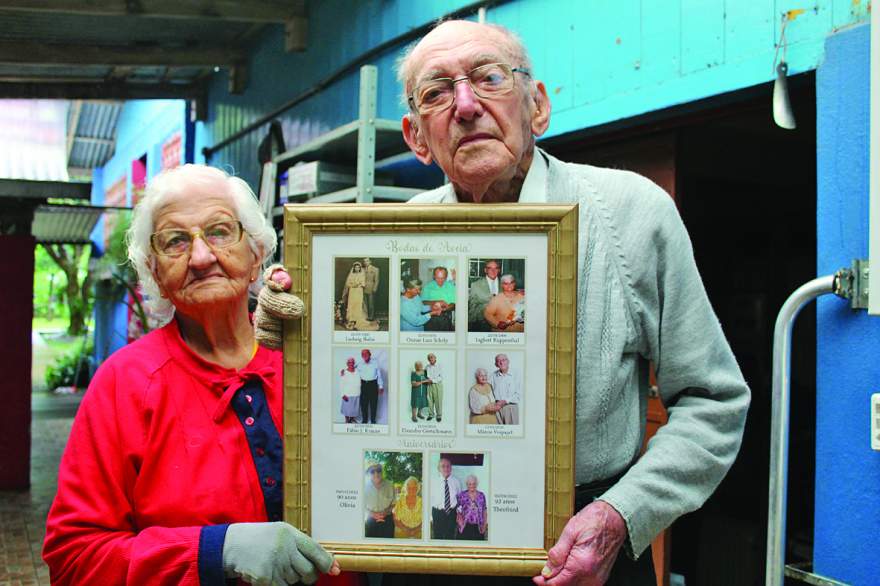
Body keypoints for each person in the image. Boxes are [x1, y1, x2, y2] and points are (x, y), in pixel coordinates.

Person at [257, 18, 750, 586]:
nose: (465, 106)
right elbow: (349, 379)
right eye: (436, 93)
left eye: (488, 78)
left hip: (588, 551)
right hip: (423, 555)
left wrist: (622, 513)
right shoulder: (388, 241)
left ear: (536, 106)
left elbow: (715, 402)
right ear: (417, 137)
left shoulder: (630, 214)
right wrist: (292, 327)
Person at [42, 164, 343, 586]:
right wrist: (215, 551)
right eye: (176, 242)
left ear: (256, 255)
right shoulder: (123, 384)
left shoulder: (315, 358)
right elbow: (75, 558)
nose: (201, 258)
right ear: (156, 276)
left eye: (219, 231)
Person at [341, 261, 379, 331]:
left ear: (360, 268)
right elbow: (348, 283)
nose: (357, 268)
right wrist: (353, 284)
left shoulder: (362, 274)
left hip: (359, 291)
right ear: (354, 268)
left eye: (358, 267)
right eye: (356, 267)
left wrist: (358, 284)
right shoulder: (351, 274)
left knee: (358, 304)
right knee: (351, 304)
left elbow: (363, 283)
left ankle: (357, 318)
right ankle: (351, 319)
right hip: (352, 291)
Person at [431, 457, 462, 539]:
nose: (446, 468)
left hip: (452, 513)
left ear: (451, 468)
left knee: (450, 535)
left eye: (448, 466)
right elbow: (430, 499)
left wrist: (459, 512)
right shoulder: (433, 482)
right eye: (443, 466)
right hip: (438, 513)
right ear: (439, 469)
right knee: (438, 536)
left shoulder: (456, 482)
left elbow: (459, 499)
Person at [364, 461, 394, 538]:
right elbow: (361, 505)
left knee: (388, 545)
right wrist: (372, 514)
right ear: (369, 473)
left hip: (387, 519)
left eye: (378, 470)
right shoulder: (364, 487)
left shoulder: (390, 485)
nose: (376, 474)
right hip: (371, 519)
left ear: (382, 472)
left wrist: (385, 512)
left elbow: (393, 503)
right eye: (372, 471)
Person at [468, 259, 501, 331]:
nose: (493, 271)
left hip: (502, 323)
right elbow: (472, 309)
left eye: (496, 268)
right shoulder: (476, 285)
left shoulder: (505, 285)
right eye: (490, 268)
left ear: (499, 270)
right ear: (485, 270)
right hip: (483, 324)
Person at [353, 349, 384, 424]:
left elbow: (379, 375)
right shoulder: (359, 364)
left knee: (374, 403)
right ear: (361, 356)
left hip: (373, 385)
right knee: (364, 404)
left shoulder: (375, 363)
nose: (364, 355)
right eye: (363, 354)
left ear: (370, 354)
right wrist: (343, 371)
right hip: (363, 385)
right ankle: (365, 420)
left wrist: (381, 386)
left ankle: (373, 420)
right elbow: (351, 369)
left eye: (366, 353)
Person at [489, 353, 522, 425]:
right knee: (498, 433)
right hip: (496, 408)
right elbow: (489, 391)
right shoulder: (493, 376)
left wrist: (504, 401)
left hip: (510, 408)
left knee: (511, 432)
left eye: (503, 360)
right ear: (496, 364)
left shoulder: (516, 374)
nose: (501, 362)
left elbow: (518, 395)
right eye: (498, 361)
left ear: (508, 361)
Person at [420, 266, 456, 331]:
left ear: (446, 277)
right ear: (434, 276)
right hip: (430, 317)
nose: (440, 281)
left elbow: (453, 304)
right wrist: (437, 302)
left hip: (445, 317)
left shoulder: (451, 287)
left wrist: (445, 308)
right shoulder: (428, 287)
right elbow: (423, 302)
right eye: (437, 278)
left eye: (443, 278)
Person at [455, 475, 488, 541]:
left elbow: (484, 510)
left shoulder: (482, 495)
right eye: (469, 484)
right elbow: (458, 509)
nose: (472, 486)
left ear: (477, 484)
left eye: (474, 484)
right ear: (467, 484)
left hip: (478, 526)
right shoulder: (462, 495)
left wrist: (484, 525)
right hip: (465, 526)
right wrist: (459, 520)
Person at [340, 356, 361, 424]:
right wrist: (342, 394)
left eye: (352, 362)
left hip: (356, 393)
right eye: (349, 362)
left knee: (354, 408)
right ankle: (346, 420)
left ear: (354, 363)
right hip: (347, 394)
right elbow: (341, 384)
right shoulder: (344, 372)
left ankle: (352, 419)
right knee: (346, 408)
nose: (351, 364)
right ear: (347, 364)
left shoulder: (358, 371)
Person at [424, 352, 444, 422]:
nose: (431, 359)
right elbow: (424, 375)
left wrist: (432, 380)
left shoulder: (439, 365)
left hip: (437, 385)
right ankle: (431, 414)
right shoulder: (427, 366)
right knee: (430, 400)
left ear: (435, 358)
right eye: (429, 358)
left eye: (432, 357)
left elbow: (441, 377)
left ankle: (439, 415)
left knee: (438, 400)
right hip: (429, 385)